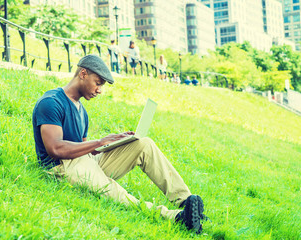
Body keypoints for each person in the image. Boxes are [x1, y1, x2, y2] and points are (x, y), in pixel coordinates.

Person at [32, 54, 208, 235]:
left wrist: (114, 142)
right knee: (112, 190)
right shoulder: (52, 102)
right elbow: (55, 149)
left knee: (143, 144)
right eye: (98, 82)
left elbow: (87, 151)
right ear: (83, 74)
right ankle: (177, 217)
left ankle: (186, 202)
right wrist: (99, 142)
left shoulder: (81, 111)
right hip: (60, 168)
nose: (99, 90)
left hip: (84, 162)